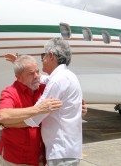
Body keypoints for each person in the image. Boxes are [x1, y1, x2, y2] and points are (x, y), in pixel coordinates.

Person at [24, 37, 83, 165]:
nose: (42, 59)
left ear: (51, 56)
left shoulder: (57, 80)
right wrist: (21, 66)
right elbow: (46, 80)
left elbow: (37, 113)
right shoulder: (66, 76)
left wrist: (9, 121)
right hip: (67, 150)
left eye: (43, 55)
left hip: (60, 152)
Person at [0, 55, 63, 166]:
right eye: (31, 74)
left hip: (40, 157)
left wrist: (79, 109)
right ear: (18, 77)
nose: (37, 76)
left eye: (37, 71)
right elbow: (3, 116)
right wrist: (37, 109)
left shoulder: (44, 89)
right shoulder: (10, 92)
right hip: (16, 158)